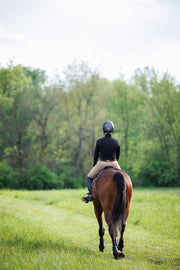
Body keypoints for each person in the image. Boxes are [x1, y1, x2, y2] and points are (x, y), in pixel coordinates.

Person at [82, 120, 121, 203]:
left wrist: (94, 164)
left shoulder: (99, 141)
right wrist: (114, 162)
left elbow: (96, 155)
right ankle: (123, 194)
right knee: (123, 177)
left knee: (89, 177)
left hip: (101, 163)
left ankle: (91, 195)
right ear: (112, 130)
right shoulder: (116, 141)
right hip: (114, 162)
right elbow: (118, 155)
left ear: (103, 130)